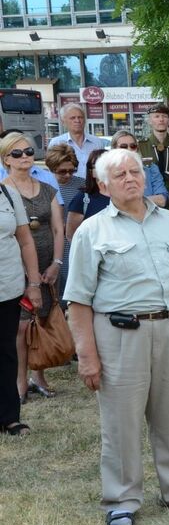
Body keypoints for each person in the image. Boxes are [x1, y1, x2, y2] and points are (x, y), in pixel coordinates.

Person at [65, 148, 169, 525]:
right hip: (120, 336)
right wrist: (87, 356)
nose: (131, 179)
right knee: (121, 423)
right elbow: (78, 301)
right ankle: (121, 499)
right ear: (103, 186)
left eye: (135, 172)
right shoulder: (91, 231)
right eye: (120, 175)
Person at [1, 133, 64, 401]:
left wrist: (56, 263)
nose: (24, 157)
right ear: (6, 159)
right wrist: (31, 274)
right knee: (21, 327)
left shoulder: (47, 187)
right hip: (17, 268)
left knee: (43, 320)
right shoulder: (4, 190)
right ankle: (19, 382)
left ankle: (39, 375)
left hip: (48, 265)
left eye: (28, 151)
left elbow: (58, 229)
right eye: (17, 153)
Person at [0, 169, 42, 435]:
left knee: (6, 352)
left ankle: (9, 418)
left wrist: (34, 283)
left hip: (7, 287)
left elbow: (26, 241)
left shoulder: (7, 193)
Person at [44, 144, 85, 300]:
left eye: (72, 170)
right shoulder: (42, 184)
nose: (68, 175)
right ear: (52, 168)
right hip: (52, 242)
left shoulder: (82, 185)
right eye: (62, 171)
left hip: (75, 241)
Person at [47, 103, 107, 179]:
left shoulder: (97, 142)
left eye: (80, 117)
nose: (77, 120)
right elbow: (52, 171)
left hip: (92, 185)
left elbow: (103, 168)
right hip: (67, 185)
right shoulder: (56, 143)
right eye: (73, 118)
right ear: (63, 122)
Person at [111, 130, 169, 208]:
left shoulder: (151, 168)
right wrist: (148, 200)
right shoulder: (108, 172)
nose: (129, 150)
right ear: (114, 149)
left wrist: (133, 201)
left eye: (133, 146)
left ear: (137, 148)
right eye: (123, 147)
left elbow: (162, 200)